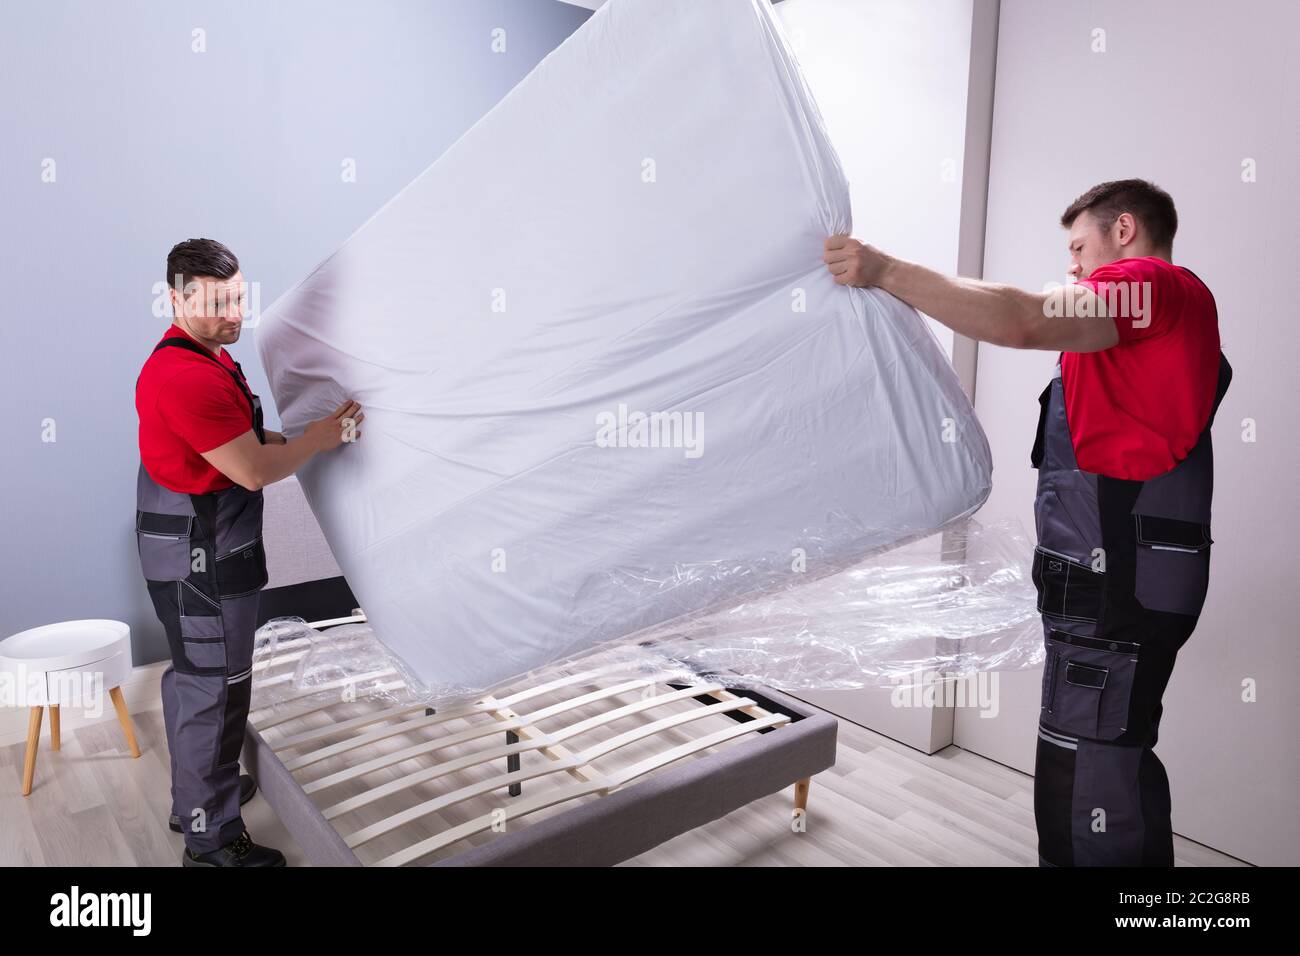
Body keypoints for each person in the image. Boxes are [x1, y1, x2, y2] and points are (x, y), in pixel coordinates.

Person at [825, 179, 1230, 866]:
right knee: (1117, 755)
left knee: (1087, 776)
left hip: (1116, 590)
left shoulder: (1151, 287)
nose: (1073, 265)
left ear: (1124, 230)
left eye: (1079, 246)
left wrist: (884, 270)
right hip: (1120, 583)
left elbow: (1024, 316)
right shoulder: (1155, 326)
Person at [135, 238, 364, 866]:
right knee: (218, 689)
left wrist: (298, 438)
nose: (236, 314)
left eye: (239, 297)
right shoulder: (184, 377)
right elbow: (254, 470)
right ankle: (212, 844)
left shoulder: (205, 353)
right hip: (200, 564)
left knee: (193, 678)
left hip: (191, 551)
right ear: (177, 300)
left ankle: (195, 800)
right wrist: (316, 438)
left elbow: (242, 434)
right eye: (218, 303)